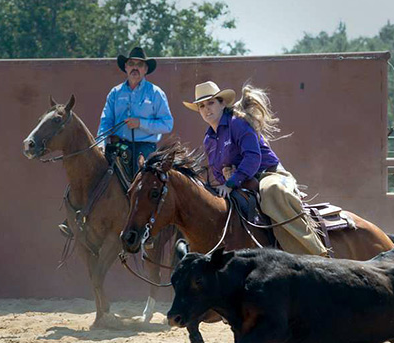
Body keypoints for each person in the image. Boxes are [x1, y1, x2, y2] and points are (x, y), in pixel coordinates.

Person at [183, 81, 328, 257]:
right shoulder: (209, 139)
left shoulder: (237, 123)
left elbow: (253, 157)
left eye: (211, 103)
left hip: (269, 173)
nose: (206, 109)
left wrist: (231, 181)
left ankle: (315, 253)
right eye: (201, 106)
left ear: (222, 103)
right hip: (240, 182)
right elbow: (217, 172)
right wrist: (227, 180)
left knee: (272, 191)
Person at [59, 46, 173, 238]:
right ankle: (74, 218)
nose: (135, 67)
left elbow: (167, 124)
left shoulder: (155, 93)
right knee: (89, 172)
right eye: (131, 64)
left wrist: (141, 123)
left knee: (141, 182)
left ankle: (146, 230)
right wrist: (100, 143)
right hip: (116, 144)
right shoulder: (115, 93)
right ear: (126, 68)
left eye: (139, 64)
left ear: (145, 69)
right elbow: (106, 122)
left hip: (144, 147)